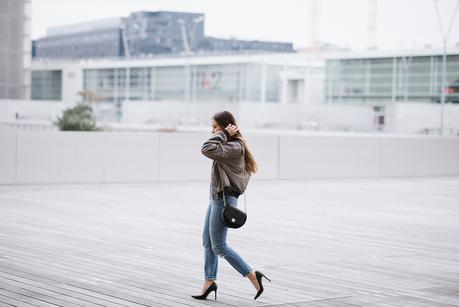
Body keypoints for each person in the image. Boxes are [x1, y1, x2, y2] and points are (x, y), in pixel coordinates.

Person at [192, 111, 271, 301]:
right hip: (217, 199)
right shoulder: (228, 144)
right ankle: (209, 282)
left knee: (219, 246)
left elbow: (206, 148)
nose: (212, 131)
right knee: (207, 240)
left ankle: (253, 275)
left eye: (215, 127)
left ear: (227, 127)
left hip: (224, 200)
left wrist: (224, 134)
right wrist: (223, 134)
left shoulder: (234, 146)